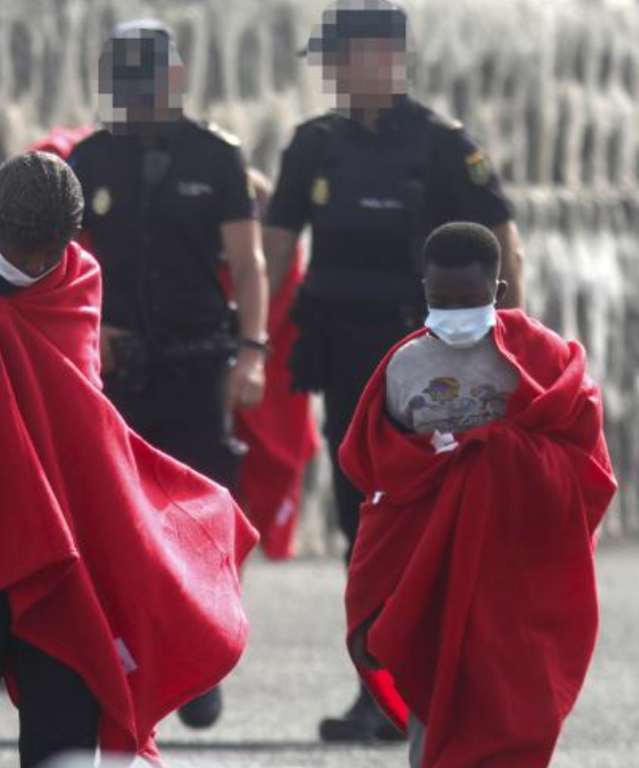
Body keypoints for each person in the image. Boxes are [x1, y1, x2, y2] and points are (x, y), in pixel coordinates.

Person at [0, 151, 258, 768]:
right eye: (19, 247)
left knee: (66, 715)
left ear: (70, 241)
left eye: (47, 251)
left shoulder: (78, 282)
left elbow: (76, 416)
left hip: (56, 535)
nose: (31, 265)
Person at [262, 0, 526, 741]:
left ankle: (442, 687)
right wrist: (247, 340)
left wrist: (516, 349)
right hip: (348, 365)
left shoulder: (445, 147)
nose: (336, 73)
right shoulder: (315, 145)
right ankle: (379, 690)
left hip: (434, 372)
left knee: (437, 529)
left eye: (344, 57)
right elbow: (277, 245)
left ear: (383, 58)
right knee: (365, 529)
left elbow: (505, 244)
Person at [341, 222, 615, 768]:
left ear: (499, 294)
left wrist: (491, 455)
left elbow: (584, 463)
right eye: (441, 302)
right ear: (423, 291)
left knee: (516, 702)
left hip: (513, 569)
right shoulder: (403, 367)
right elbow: (386, 483)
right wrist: (376, 598)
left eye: (469, 302)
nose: (455, 314)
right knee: (438, 691)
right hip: (433, 567)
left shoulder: (541, 359)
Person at [67, 19, 269, 728]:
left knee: (199, 514)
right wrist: (89, 335)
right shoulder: (89, 157)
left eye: (148, 78)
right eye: (124, 80)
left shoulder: (217, 156)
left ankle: (203, 651)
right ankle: (127, 654)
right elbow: (66, 267)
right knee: (115, 516)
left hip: (198, 360)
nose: (137, 93)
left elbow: (247, 264)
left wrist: (252, 351)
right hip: (116, 365)